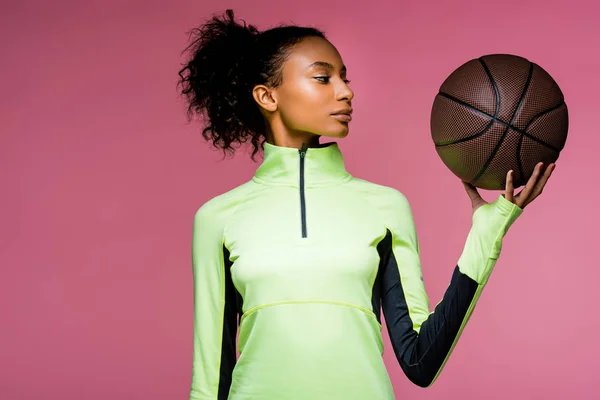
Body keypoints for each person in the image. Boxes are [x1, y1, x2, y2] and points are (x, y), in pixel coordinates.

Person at [177, 9, 555, 400]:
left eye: (344, 78)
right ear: (267, 96)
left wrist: (486, 234)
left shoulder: (385, 207)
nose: (345, 91)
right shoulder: (218, 218)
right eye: (323, 78)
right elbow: (210, 379)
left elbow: (420, 361)